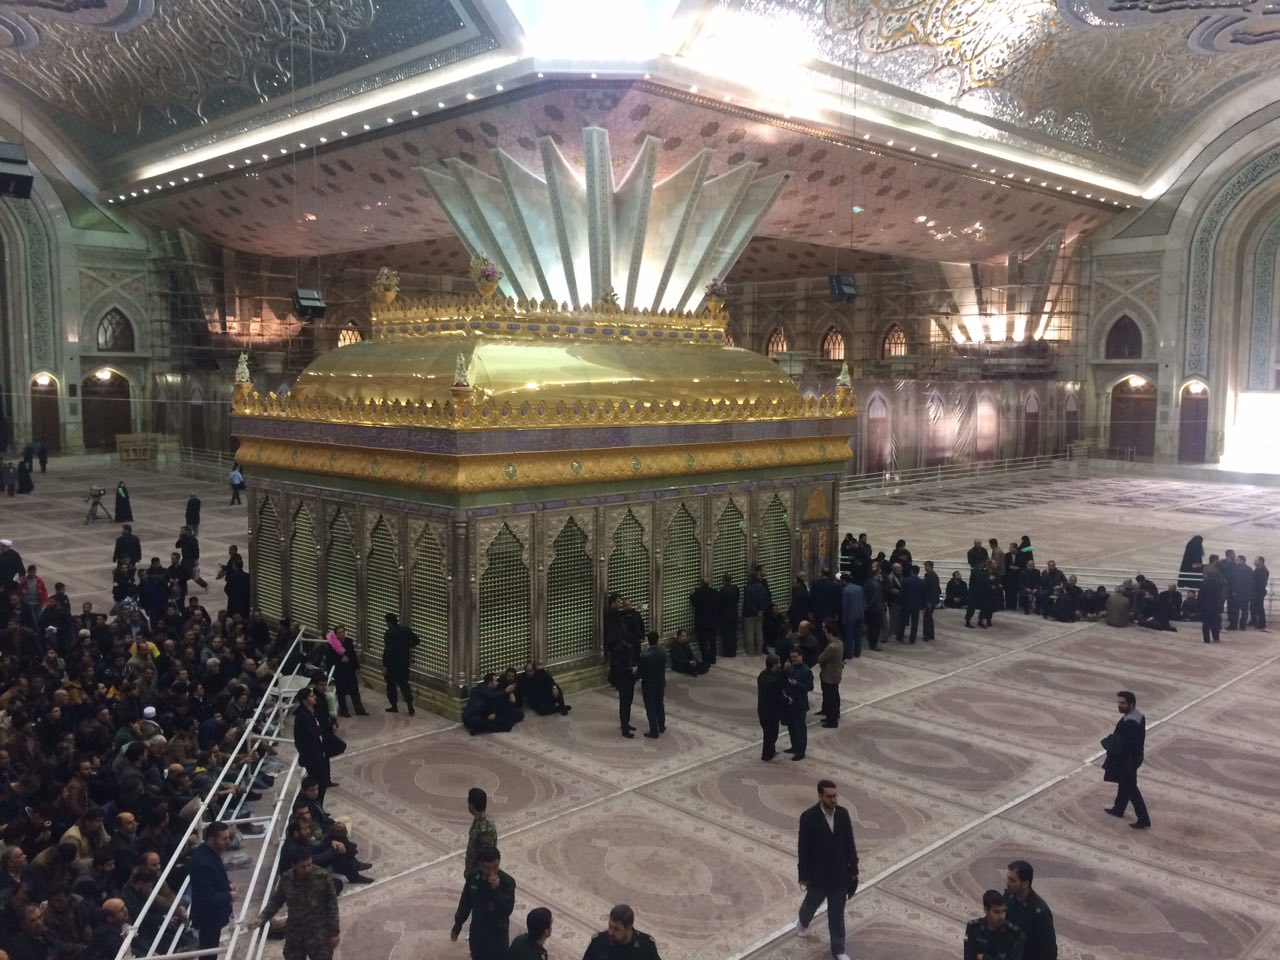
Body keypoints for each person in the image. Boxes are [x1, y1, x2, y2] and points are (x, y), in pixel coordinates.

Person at [794, 779, 858, 960]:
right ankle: (802, 922)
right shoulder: (808, 817)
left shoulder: (843, 814)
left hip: (839, 875)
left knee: (836, 914)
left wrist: (854, 868)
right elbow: (803, 848)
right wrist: (803, 874)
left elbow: (849, 842)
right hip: (818, 875)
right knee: (810, 904)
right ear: (820, 796)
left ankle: (838, 949)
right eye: (829, 796)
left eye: (835, 795)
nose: (833, 800)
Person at [250, 848, 340, 960]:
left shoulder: (322, 877)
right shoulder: (287, 879)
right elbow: (276, 901)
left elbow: (332, 906)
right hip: (295, 933)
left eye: (309, 864)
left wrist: (334, 933)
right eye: (303, 866)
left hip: (318, 933)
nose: (307, 869)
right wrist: (262, 917)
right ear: (294, 865)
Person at [451, 846, 515, 960]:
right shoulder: (473, 877)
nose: (492, 872)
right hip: (478, 932)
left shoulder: (507, 882)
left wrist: (496, 890)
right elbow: (465, 903)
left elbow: (507, 909)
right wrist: (457, 925)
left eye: (495, 867)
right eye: (487, 868)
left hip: (497, 937)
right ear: (480, 865)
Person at [1102, 690, 1150, 829]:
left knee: (1131, 788)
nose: (1119, 705)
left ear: (1131, 704)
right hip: (1133, 757)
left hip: (1128, 759)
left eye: (1122, 703)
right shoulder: (1137, 715)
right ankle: (1119, 808)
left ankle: (1143, 818)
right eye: (1119, 702)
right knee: (1124, 784)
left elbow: (1127, 744)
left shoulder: (1131, 722)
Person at [188, 821, 234, 959]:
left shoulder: (210, 853)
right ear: (212, 839)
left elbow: (216, 877)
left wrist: (228, 884)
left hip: (213, 915)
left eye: (228, 837)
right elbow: (206, 897)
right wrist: (229, 895)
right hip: (208, 917)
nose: (228, 842)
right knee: (208, 952)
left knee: (211, 951)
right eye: (224, 839)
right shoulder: (202, 862)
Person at [1003, 860, 1057, 960]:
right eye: (1008, 878)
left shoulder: (1040, 913)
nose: (1008, 883)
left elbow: (1049, 953)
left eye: (1012, 880)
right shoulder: (1008, 897)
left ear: (1025, 884)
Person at [293, 688, 331, 803]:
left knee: (322, 782)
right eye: (311, 696)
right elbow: (310, 734)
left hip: (317, 752)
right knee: (319, 782)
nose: (314, 697)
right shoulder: (302, 717)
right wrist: (319, 729)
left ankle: (318, 806)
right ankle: (315, 806)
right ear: (304, 700)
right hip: (311, 755)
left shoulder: (311, 711)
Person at [582, 904, 661, 960]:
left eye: (616, 929)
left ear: (628, 928)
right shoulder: (599, 942)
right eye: (610, 925)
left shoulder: (646, 945)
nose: (610, 932)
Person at [964, 890, 1024, 960]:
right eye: (997, 912)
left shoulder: (1013, 933)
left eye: (1004, 911)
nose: (1001, 916)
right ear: (986, 910)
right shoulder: (974, 928)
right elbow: (969, 957)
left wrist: (984, 957)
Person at [380, 612, 419, 714]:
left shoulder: (389, 634)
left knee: (391, 685)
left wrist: (384, 665)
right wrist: (407, 645)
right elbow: (416, 641)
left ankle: (394, 705)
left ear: (388, 622)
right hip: (403, 663)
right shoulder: (405, 630)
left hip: (392, 664)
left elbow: (387, 650)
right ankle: (409, 705)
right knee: (404, 684)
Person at [325, 626, 367, 717]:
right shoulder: (331, 645)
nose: (342, 634)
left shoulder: (349, 641)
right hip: (340, 671)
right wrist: (340, 660)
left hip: (350, 669)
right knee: (341, 692)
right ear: (336, 634)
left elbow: (353, 655)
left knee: (354, 690)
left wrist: (356, 667)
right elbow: (329, 658)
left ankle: (359, 709)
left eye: (343, 632)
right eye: (339, 632)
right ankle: (343, 711)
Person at [609, 623, 639, 738]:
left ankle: (626, 722)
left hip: (630, 679)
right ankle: (624, 728)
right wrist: (630, 669)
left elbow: (634, 660)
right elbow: (618, 666)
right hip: (623, 680)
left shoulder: (630, 648)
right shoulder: (618, 650)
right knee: (624, 703)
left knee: (629, 701)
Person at [783, 649, 813, 761]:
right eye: (792, 657)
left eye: (795, 656)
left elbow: (810, 687)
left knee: (800, 728)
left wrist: (797, 685)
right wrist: (785, 670)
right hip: (790, 702)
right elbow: (785, 680)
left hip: (800, 703)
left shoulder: (806, 670)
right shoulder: (790, 667)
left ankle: (800, 752)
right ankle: (794, 746)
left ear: (801, 656)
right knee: (791, 726)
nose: (793, 659)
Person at [756, 655, 785, 761]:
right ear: (774, 665)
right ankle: (767, 755)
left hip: (762, 709)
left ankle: (770, 751)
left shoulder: (762, 674)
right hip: (771, 712)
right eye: (779, 663)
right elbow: (776, 697)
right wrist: (786, 699)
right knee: (771, 734)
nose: (780, 665)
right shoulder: (773, 681)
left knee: (768, 733)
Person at [638, 631, 666, 739]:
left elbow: (640, 672)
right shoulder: (663, 652)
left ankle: (654, 730)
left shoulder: (645, 656)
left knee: (650, 707)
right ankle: (661, 726)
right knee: (660, 704)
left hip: (649, 684)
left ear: (648, 641)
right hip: (660, 682)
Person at [465, 788, 498, 875]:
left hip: (479, 874)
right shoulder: (479, 820)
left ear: (471, 806)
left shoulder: (485, 827)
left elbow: (486, 856)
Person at [816, 621, 843, 728]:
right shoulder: (839, 643)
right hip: (835, 674)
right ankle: (834, 714)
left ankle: (832, 720)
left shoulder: (831, 647)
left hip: (829, 675)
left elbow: (820, 658)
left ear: (830, 633)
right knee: (834, 696)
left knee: (830, 698)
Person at [689, 577, 718, 667]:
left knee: (703, 642)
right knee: (712, 641)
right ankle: (713, 658)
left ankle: (706, 660)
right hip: (713, 621)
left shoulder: (698, 592)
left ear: (701, 583)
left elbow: (695, 604)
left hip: (702, 622)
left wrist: (691, 595)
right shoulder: (714, 592)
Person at [742, 569, 771, 656]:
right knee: (759, 632)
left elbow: (747, 602)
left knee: (749, 633)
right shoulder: (763, 588)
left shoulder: (747, 588)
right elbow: (768, 601)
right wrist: (762, 611)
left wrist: (755, 611)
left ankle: (750, 651)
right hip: (760, 614)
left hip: (749, 614)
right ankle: (759, 651)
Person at [1198, 556, 1224, 643]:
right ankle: (1216, 637)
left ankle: (1206, 639)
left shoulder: (1204, 584)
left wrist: (1199, 606)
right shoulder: (1218, 585)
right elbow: (1220, 595)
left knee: (1206, 624)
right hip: (1215, 606)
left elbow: (1200, 596)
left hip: (1206, 607)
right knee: (1215, 623)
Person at [897, 565, 924, 643]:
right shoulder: (922, 582)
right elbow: (924, 595)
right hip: (916, 604)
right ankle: (912, 639)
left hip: (906, 603)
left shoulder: (906, 580)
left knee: (902, 621)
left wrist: (899, 602)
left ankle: (900, 637)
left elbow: (902, 593)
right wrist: (923, 605)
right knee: (914, 623)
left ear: (911, 571)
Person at [840, 576, 864, 661]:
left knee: (849, 635)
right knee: (858, 634)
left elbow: (845, 606)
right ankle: (857, 652)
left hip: (850, 615)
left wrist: (844, 618)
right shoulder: (859, 588)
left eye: (841, 581)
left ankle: (849, 654)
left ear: (844, 581)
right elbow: (862, 600)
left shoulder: (845, 590)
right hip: (860, 613)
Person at [717, 574, 740, 659]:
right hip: (734, 614)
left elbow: (720, 604)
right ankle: (733, 651)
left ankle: (727, 652)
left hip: (725, 616)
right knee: (733, 634)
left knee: (726, 635)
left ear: (724, 580)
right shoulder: (736, 589)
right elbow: (737, 600)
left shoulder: (722, 591)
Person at [922, 560, 940, 641]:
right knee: (928, 617)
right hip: (929, 599)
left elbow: (933, 590)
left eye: (926, 566)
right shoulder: (928, 575)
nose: (925, 567)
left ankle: (927, 635)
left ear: (930, 566)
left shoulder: (933, 576)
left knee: (927, 617)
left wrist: (929, 601)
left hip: (930, 600)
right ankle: (930, 634)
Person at [1251, 556, 1269, 630]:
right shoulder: (1259, 569)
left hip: (1259, 591)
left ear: (1260, 561)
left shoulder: (1263, 570)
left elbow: (1260, 582)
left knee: (1259, 608)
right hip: (1256, 591)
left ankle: (1262, 624)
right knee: (1253, 607)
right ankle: (1253, 621)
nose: (1254, 562)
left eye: (1256, 560)